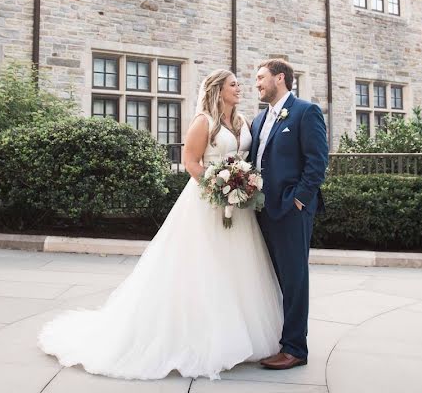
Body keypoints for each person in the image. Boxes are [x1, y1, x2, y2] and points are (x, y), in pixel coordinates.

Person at [37, 69, 282, 380]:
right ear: (219, 90)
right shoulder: (203, 122)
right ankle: (202, 338)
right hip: (208, 201)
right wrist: (217, 189)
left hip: (241, 207)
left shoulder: (244, 121)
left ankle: (243, 336)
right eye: (233, 85)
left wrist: (242, 187)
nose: (240, 89)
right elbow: (191, 161)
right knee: (203, 267)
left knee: (239, 268)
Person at [251, 59, 329, 370]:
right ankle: (276, 339)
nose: (257, 83)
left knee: (295, 279)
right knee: (272, 278)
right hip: (261, 210)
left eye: (261, 77)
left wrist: (298, 201)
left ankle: (295, 348)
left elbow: (317, 162)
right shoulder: (258, 120)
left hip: (291, 211)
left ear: (279, 78)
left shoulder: (305, 112)